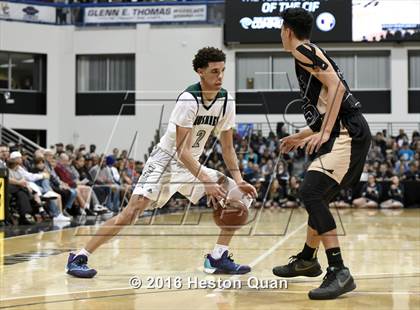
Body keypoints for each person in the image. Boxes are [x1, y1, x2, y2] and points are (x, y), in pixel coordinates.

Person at [66, 47, 257, 278]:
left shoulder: (226, 101)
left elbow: (227, 148)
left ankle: (218, 257)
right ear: (200, 72)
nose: (220, 77)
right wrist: (206, 180)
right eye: (214, 71)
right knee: (132, 212)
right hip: (165, 161)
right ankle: (79, 257)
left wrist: (239, 180)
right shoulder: (189, 100)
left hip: (191, 164)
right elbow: (181, 151)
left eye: (223, 71)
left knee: (240, 196)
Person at [272, 8, 372, 300]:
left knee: (312, 193)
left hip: (347, 133)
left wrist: (325, 133)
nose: (281, 34)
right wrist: (303, 134)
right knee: (318, 197)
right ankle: (307, 258)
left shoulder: (302, 50)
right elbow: (328, 104)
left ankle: (339, 270)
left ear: (287, 31)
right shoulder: (310, 51)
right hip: (344, 130)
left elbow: (337, 88)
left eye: (281, 29)